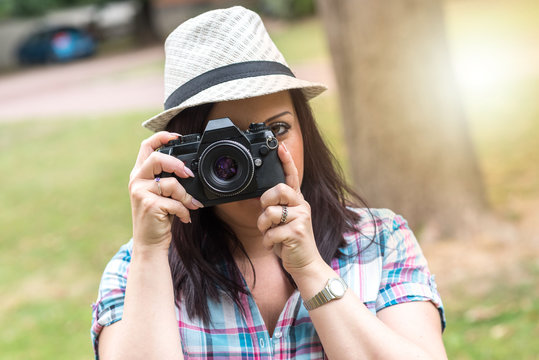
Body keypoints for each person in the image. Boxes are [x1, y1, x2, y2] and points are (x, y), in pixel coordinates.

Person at [91, 6, 447, 360]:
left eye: (275, 130)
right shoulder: (134, 269)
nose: (252, 159)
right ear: (180, 153)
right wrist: (150, 253)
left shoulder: (381, 241)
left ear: (305, 130)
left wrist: (310, 270)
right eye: (225, 149)